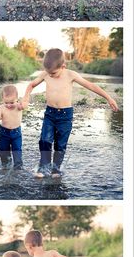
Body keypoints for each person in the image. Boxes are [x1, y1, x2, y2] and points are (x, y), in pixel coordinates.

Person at [21, 48, 119, 178]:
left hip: (65, 116)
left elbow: (91, 86)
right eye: (48, 72)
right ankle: (43, 167)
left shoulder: (70, 75)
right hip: (50, 114)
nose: (50, 75)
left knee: (60, 144)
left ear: (63, 66)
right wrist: (26, 98)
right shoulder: (46, 74)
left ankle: (55, 169)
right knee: (45, 140)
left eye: (53, 73)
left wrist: (108, 98)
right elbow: (31, 85)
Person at [0, 84, 26, 170]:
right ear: (2, 100)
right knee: (3, 151)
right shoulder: (1, 108)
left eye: (12, 102)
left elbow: (24, 105)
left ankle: (18, 167)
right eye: (6, 102)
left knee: (17, 150)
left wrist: (23, 102)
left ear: (17, 99)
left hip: (16, 133)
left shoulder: (18, 106)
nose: (9, 105)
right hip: (4, 133)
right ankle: (6, 165)